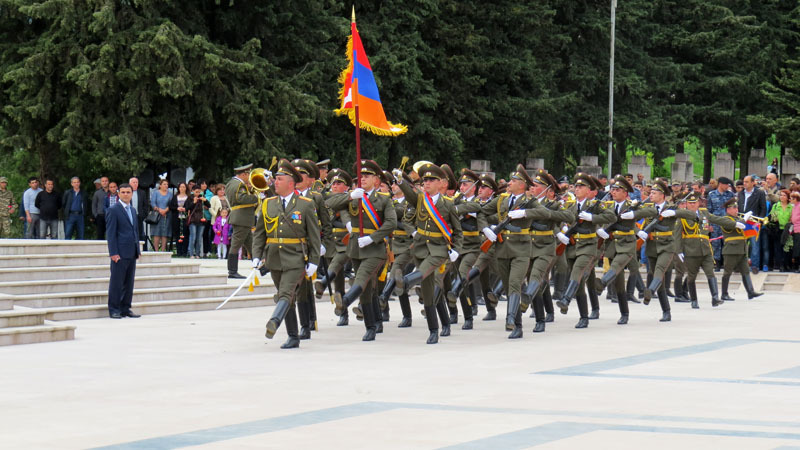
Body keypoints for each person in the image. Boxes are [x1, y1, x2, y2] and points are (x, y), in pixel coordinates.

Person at [327, 160, 397, 342]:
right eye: (360, 176)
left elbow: (391, 223)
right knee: (368, 289)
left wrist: (373, 237)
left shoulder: (383, 199)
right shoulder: (354, 196)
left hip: (375, 249)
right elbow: (330, 203)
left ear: (376, 179)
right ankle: (374, 323)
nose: (363, 179)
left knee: (363, 277)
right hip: (356, 248)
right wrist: (350, 196)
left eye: (367, 176)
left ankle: (347, 300)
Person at [253, 160, 321, 349]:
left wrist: (314, 261)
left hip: (296, 258)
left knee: (286, 292)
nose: (275, 182)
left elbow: (314, 236)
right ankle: (293, 336)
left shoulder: (305, 205)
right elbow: (260, 233)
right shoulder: (268, 204)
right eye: (276, 179)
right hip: (274, 258)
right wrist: (256, 256)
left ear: (290, 183)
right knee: (287, 296)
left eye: (279, 179)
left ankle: (274, 320)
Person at [707, 198, 763, 299]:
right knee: (727, 272)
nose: (737, 209)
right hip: (731, 250)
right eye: (734, 208)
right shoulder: (726, 219)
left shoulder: (737, 219)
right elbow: (738, 226)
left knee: (745, 271)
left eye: (737, 207)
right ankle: (724, 294)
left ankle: (750, 292)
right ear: (728, 210)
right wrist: (745, 219)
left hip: (741, 249)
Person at [106, 183, 141, 319]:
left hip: (131, 251)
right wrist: (113, 252)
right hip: (119, 252)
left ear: (132, 194)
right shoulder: (113, 210)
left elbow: (135, 231)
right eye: (123, 192)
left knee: (129, 282)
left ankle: (125, 307)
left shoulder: (132, 210)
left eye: (128, 192)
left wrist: (137, 248)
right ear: (119, 194)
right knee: (117, 282)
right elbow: (111, 233)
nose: (126, 194)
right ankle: (114, 309)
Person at [225, 164, 258, 279]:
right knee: (236, 245)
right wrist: (258, 198)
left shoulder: (232, 183)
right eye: (248, 174)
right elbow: (241, 199)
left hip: (243, 218)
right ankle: (232, 271)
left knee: (251, 244)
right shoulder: (239, 185)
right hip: (241, 218)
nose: (249, 177)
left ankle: (262, 266)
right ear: (244, 174)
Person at [738, 175, 767, 273]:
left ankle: (755, 265)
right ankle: (741, 265)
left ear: (752, 182)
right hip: (742, 221)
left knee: (755, 245)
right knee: (741, 245)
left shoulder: (759, 193)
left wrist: (759, 221)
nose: (744, 183)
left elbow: (763, 208)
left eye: (746, 182)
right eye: (744, 181)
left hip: (753, 222)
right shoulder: (741, 193)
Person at [769, 190, 793, 272]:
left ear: (788, 198)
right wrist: (774, 217)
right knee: (777, 247)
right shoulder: (776, 205)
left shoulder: (791, 207)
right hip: (777, 228)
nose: (782, 197)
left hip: (787, 229)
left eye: (784, 195)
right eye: (781, 195)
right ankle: (778, 265)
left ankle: (785, 264)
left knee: (786, 248)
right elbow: (771, 215)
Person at [186, 185, 210, 259]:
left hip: (201, 220)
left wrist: (205, 200)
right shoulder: (189, 198)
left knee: (199, 238)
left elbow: (209, 206)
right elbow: (187, 208)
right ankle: (191, 253)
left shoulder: (202, 198)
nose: (198, 193)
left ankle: (197, 253)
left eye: (199, 192)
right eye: (196, 192)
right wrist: (193, 202)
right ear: (193, 191)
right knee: (193, 237)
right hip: (193, 220)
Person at [149, 179, 172, 252]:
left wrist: (165, 210)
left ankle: (163, 250)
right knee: (157, 233)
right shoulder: (155, 193)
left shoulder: (170, 194)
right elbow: (153, 203)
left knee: (164, 233)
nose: (166, 186)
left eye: (167, 184)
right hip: (157, 215)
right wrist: (159, 210)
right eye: (164, 184)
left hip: (166, 216)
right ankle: (156, 251)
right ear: (160, 185)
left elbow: (171, 204)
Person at [169, 182, 190, 257]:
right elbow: (171, 206)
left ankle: (184, 251)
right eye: (181, 187)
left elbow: (190, 206)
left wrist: (185, 208)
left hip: (185, 218)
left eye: (184, 187)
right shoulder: (175, 197)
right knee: (178, 235)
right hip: (176, 218)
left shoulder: (188, 197)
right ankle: (179, 251)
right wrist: (177, 208)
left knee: (185, 234)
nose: (182, 188)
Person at [129, 177, 150, 249]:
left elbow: (145, 205)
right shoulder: (127, 192)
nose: (135, 184)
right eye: (133, 182)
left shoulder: (142, 193)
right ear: (129, 183)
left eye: (136, 182)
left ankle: (142, 249)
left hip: (139, 216)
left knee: (140, 234)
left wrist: (143, 215)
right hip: (129, 216)